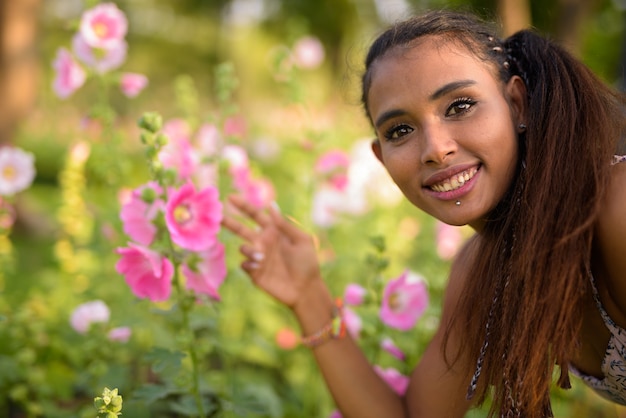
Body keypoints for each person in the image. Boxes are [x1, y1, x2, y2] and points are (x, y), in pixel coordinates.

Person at [222, 8, 626, 418]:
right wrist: (309, 296)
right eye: (400, 130)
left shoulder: (617, 206)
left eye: (460, 106)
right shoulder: (480, 271)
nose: (435, 148)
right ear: (382, 159)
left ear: (517, 105)